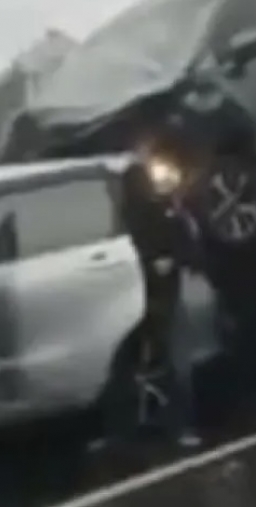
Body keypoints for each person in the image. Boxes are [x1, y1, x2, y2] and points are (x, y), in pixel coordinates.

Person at [100, 157, 204, 449]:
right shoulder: (162, 211)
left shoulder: (123, 219)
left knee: (132, 365)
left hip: (131, 302)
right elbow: (188, 246)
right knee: (175, 363)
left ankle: (125, 430)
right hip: (161, 296)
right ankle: (179, 426)